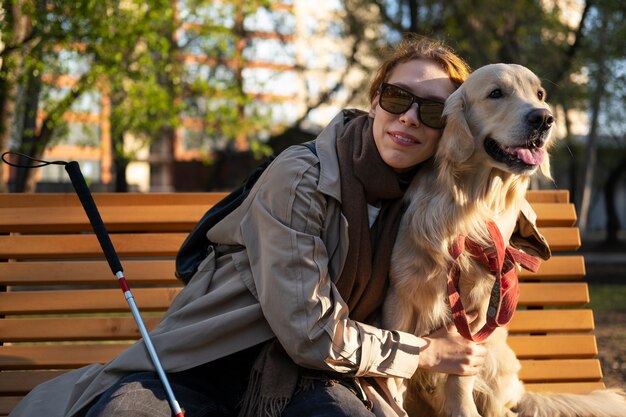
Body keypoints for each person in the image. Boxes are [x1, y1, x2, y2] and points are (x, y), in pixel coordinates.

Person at [11, 36, 503, 417]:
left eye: (434, 109)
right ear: (376, 101)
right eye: (398, 98)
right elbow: (310, 331)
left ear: (450, 124)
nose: (411, 118)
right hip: (205, 364)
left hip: (316, 379)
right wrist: (421, 353)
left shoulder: (431, 199)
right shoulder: (301, 174)